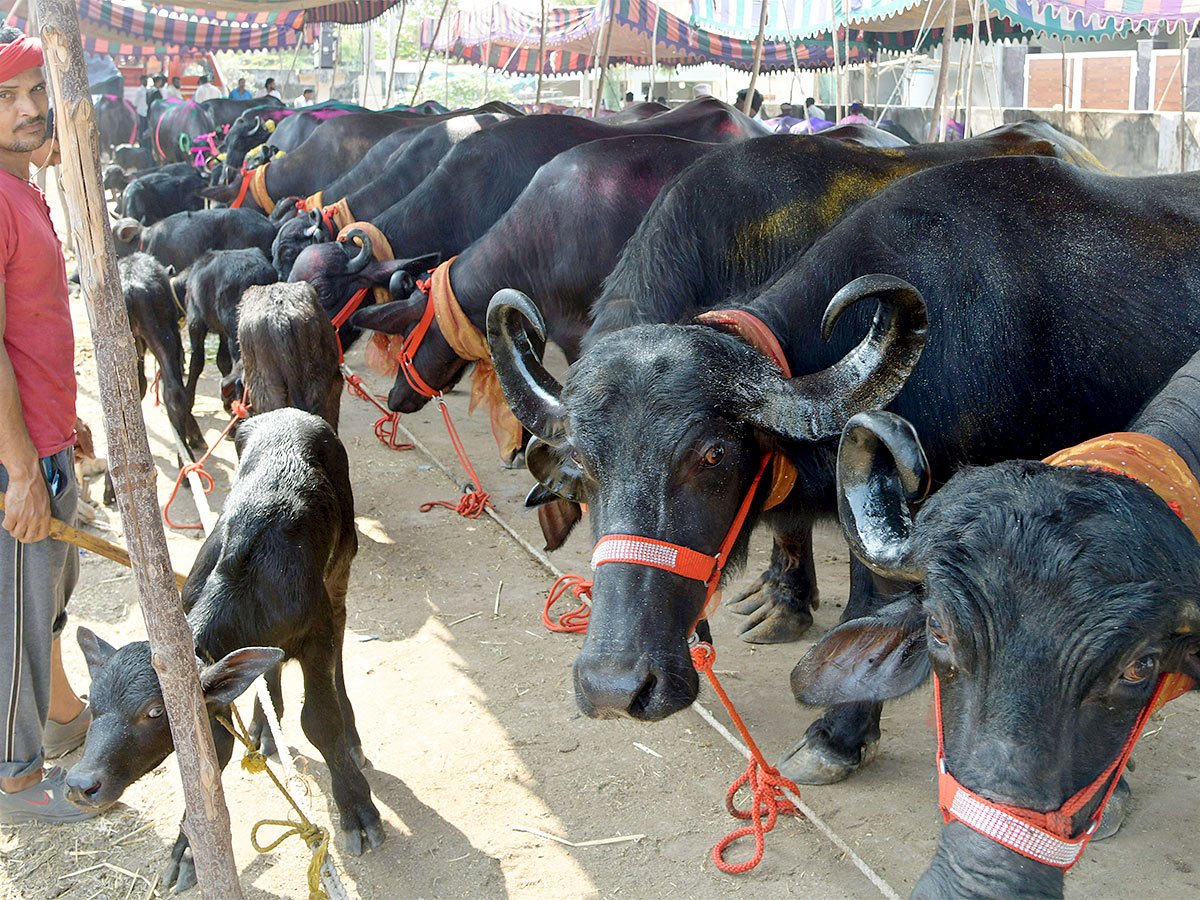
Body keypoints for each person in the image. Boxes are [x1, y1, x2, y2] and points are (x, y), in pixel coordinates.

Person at [0, 25, 96, 825]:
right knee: (15, 620)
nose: (30, 110)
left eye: (38, 90)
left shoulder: (22, 186)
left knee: (50, 597)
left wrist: (63, 429)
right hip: (15, 458)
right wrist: (24, 467)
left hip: (44, 440)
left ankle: (60, 721)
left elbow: (34, 326)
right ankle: (15, 780)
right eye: (7, 98)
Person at [131, 73, 149, 142]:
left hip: (146, 112)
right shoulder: (139, 90)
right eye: (144, 80)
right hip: (141, 112)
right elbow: (135, 102)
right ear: (141, 81)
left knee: (145, 129)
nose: (146, 82)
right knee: (141, 129)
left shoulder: (147, 90)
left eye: (146, 80)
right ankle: (140, 142)